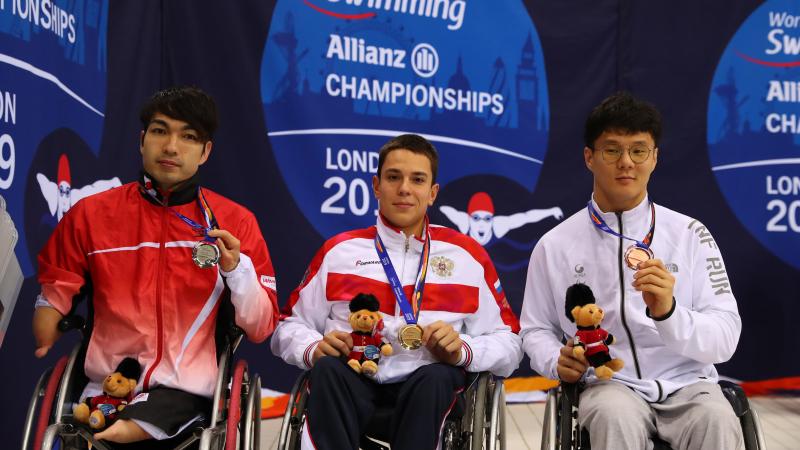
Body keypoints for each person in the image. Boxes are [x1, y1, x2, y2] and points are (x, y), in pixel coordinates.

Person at [33, 86, 279, 444]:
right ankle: (111, 430)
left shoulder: (235, 222)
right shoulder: (90, 215)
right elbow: (58, 281)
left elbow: (260, 326)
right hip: (108, 387)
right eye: (160, 131)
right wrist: (50, 313)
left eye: (188, 137)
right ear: (142, 139)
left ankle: (122, 432)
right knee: (90, 423)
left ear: (205, 151)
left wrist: (236, 269)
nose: (171, 147)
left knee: (127, 425)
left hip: (184, 391)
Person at [520, 92, 743, 450]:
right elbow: (535, 329)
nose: (626, 162)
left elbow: (726, 337)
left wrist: (668, 313)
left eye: (638, 150)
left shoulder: (691, 234)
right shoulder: (554, 244)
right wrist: (554, 361)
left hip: (689, 384)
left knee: (717, 418)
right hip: (609, 384)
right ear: (589, 157)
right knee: (613, 415)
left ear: (654, 158)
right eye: (612, 150)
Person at [271, 134, 522, 450]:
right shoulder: (338, 252)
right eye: (393, 177)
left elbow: (511, 343)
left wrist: (463, 349)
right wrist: (314, 347)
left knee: (437, 377)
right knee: (326, 370)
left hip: (428, 392)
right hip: (354, 379)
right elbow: (286, 329)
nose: (404, 188)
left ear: (432, 193)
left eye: (417, 180)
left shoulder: (467, 257)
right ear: (376, 186)